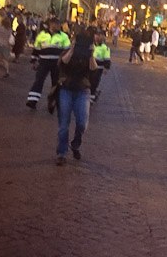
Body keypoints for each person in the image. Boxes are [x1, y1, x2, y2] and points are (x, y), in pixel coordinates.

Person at [55, 30, 97, 165]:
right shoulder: (67, 51)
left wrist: (91, 54)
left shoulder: (88, 54)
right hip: (66, 89)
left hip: (82, 90)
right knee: (63, 124)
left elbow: (93, 69)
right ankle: (62, 153)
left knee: (82, 123)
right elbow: (63, 62)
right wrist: (72, 49)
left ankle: (75, 143)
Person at [26, 17, 71, 109]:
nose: (55, 26)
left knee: (56, 82)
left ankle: (53, 101)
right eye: (53, 24)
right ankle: (32, 100)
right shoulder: (42, 34)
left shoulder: (64, 36)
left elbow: (67, 50)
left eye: (57, 24)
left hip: (57, 63)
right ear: (50, 24)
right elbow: (36, 48)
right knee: (39, 80)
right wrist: (34, 60)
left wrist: (65, 63)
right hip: (43, 61)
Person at [90, 31, 111, 103]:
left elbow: (107, 59)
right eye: (96, 35)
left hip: (98, 68)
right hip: (89, 66)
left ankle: (92, 95)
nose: (97, 37)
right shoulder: (91, 45)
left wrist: (106, 67)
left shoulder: (105, 48)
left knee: (95, 81)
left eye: (99, 36)